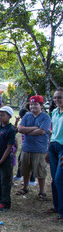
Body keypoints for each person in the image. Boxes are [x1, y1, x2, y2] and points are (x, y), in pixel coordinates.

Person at [17, 95, 51, 200]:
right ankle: (25, 187)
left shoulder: (46, 117)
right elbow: (20, 129)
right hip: (26, 148)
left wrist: (28, 130)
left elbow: (42, 131)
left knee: (40, 171)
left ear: (41, 106)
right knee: (25, 169)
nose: (33, 107)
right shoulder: (27, 116)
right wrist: (35, 128)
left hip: (40, 149)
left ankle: (42, 192)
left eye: (35, 104)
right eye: (31, 104)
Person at [46, 87, 63, 220]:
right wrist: (48, 148)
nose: (57, 100)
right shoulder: (55, 112)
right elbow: (54, 132)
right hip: (53, 147)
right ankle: (57, 207)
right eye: (56, 97)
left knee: (59, 179)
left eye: (60, 97)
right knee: (54, 180)